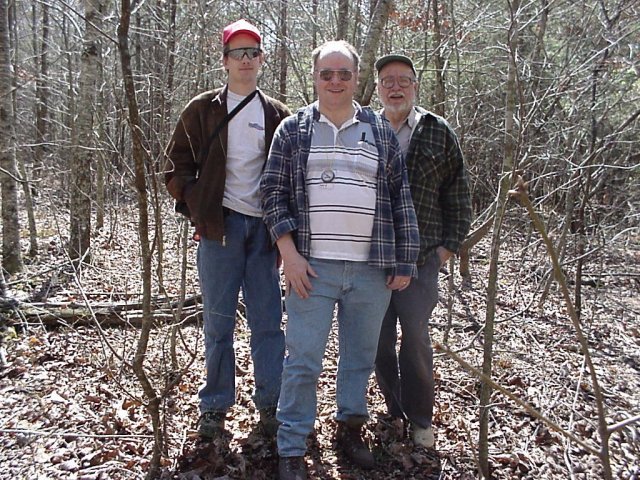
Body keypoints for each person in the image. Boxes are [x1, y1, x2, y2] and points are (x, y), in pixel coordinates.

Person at [260, 40, 420, 480]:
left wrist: (404, 259)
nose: (335, 81)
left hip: (370, 268)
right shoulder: (293, 129)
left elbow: (399, 198)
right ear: (314, 77)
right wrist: (288, 252)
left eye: (344, 74)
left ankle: (350, 427)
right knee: (304, 359)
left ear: (356, 78)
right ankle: (292, 445)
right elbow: (271, 194)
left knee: (359, 357)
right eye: (326, 73)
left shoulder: (379, 131)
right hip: (311, 267)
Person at [164, 19, 291, 440]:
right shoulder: (202, 108)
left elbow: (292, 177)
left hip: (264, 233)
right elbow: (174, 165)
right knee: (218, 323)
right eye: (237, 53)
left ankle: (271, 405)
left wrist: (285, 233)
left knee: (268, 322)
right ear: (224, 61)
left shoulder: (278, 115)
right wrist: (198, 206)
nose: (246, 60)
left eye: (253, 53)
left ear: (262, 59)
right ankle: (215, 406)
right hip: (219, 231)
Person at [373, 54, 472, 449]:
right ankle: (393, 409)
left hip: (422, 262)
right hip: (373, 261)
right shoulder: (364, 129)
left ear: (415, 86)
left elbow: (459, 194)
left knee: (415, 341)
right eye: (387, 80)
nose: (395, 86)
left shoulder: (437, 130)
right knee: (378, 342)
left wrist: (446, 249)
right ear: (378, 88)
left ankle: (420, 419)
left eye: (403, 80)